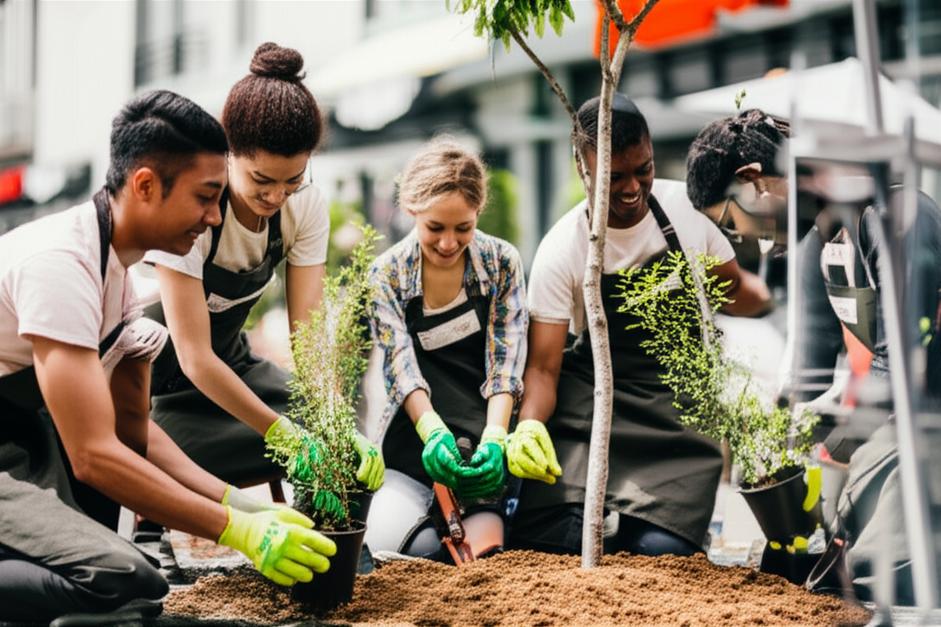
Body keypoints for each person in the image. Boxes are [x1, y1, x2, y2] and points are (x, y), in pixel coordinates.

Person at [0, 91, 336, 625]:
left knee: (136, 592)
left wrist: (242, 506)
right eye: (206, 197)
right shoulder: (60, 265)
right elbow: (93, 455)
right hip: (16, 454)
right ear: (145, 186)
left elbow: (136, 435)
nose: (213, 215)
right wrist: (232, 531)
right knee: (120, 577)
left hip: (27, 443)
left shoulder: (118, 281)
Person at [685, 108, 941, 603]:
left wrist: (834, 426)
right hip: (902, 421)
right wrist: (774, 443)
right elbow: (806, 375)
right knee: (826, 524)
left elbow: (902, 363)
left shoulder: (896, 218)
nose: (743, 240)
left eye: (730, 222)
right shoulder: (818, 247)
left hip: (926, 418)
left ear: (754, 182)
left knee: (875, 561)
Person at [509, 94, 771, 557]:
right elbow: (545, 369)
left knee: (657, 550)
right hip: (590, 410)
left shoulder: (689, 212)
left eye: (643, 169)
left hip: (676, 419)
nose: (633, 189)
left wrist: (770, 295)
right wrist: (528, 428)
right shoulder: (560, 249)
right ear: (583, 168)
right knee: (555, 539)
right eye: (615, 177)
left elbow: (733, 293)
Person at [142, 43, 384, 496]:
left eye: (292, 181)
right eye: (262, 180)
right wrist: (282, 435)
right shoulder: (192, 209)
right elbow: (194, 358)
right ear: (228, 154)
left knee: (336, 439)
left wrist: (334, 416)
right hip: (154, 389)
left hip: (232, 370)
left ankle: (328, 555)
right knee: (160, 459)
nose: (277, 197)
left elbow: (308, 341)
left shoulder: (305, 208)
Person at [364, 138, 530, 559]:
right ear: (411, 210)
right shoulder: (387, 274)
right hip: (414, 436)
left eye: (464, 228)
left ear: (478, 214)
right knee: (418, 552)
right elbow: (400, 367)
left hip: (480, 431)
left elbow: (505, 362)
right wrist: (432, 432)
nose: (448, 243)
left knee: (483, 553)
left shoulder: (501, 263)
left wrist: (496, 437)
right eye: (435, 228)